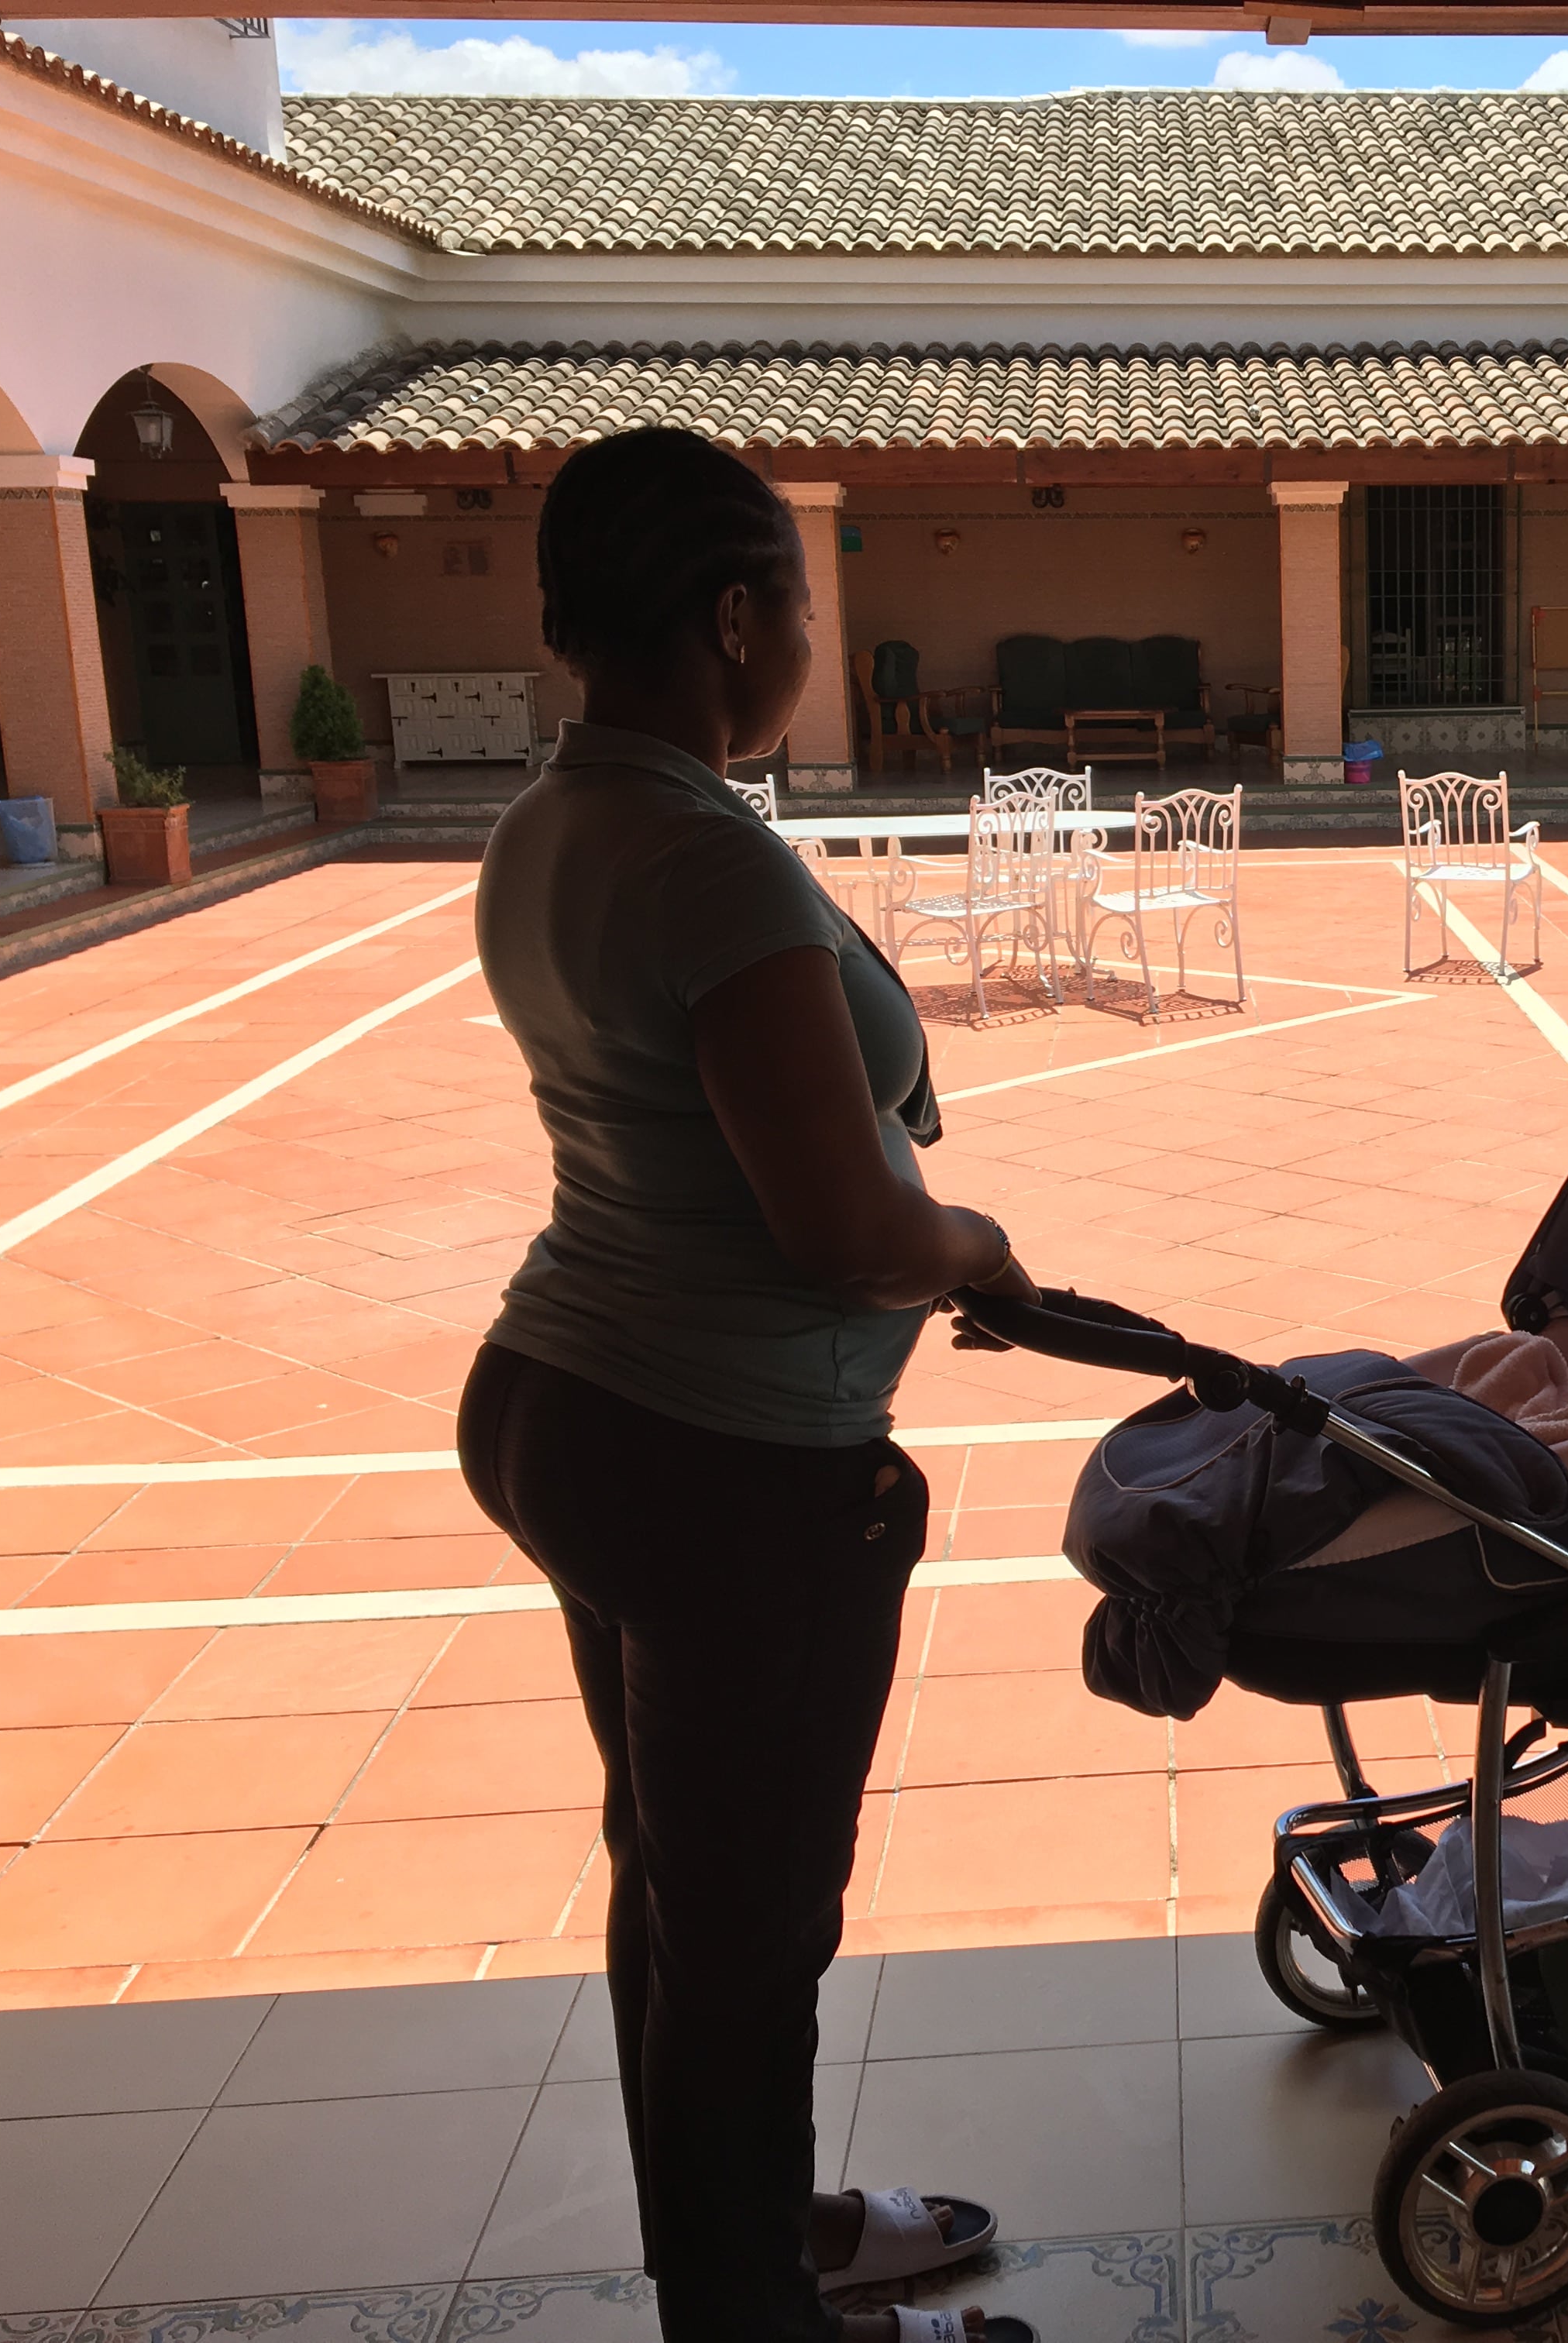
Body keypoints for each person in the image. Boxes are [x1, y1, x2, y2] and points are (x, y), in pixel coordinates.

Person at [457, 427, 1035, 2343]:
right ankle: (752, 2315)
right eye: (798, 594)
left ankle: (753, 2241)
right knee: (752, 1937)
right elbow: (848, 1233)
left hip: (568, 1401)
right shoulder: (700, 858)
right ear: (734, 616)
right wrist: (974, 1246)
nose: (807, 628)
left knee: (677, 1888)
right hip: (723, 1470)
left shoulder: (555, 821)